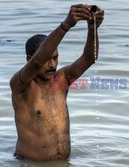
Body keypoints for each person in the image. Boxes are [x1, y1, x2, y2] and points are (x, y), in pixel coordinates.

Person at [10, 4, 104, 161]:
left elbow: (90, 58)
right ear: (28, 59)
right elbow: (37, 62)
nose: (52, 64)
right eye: (47, 59)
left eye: (55, 58)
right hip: (30, 164)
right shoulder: (21, 85)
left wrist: (93, 29)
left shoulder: (62, 80)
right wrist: (66, 25)